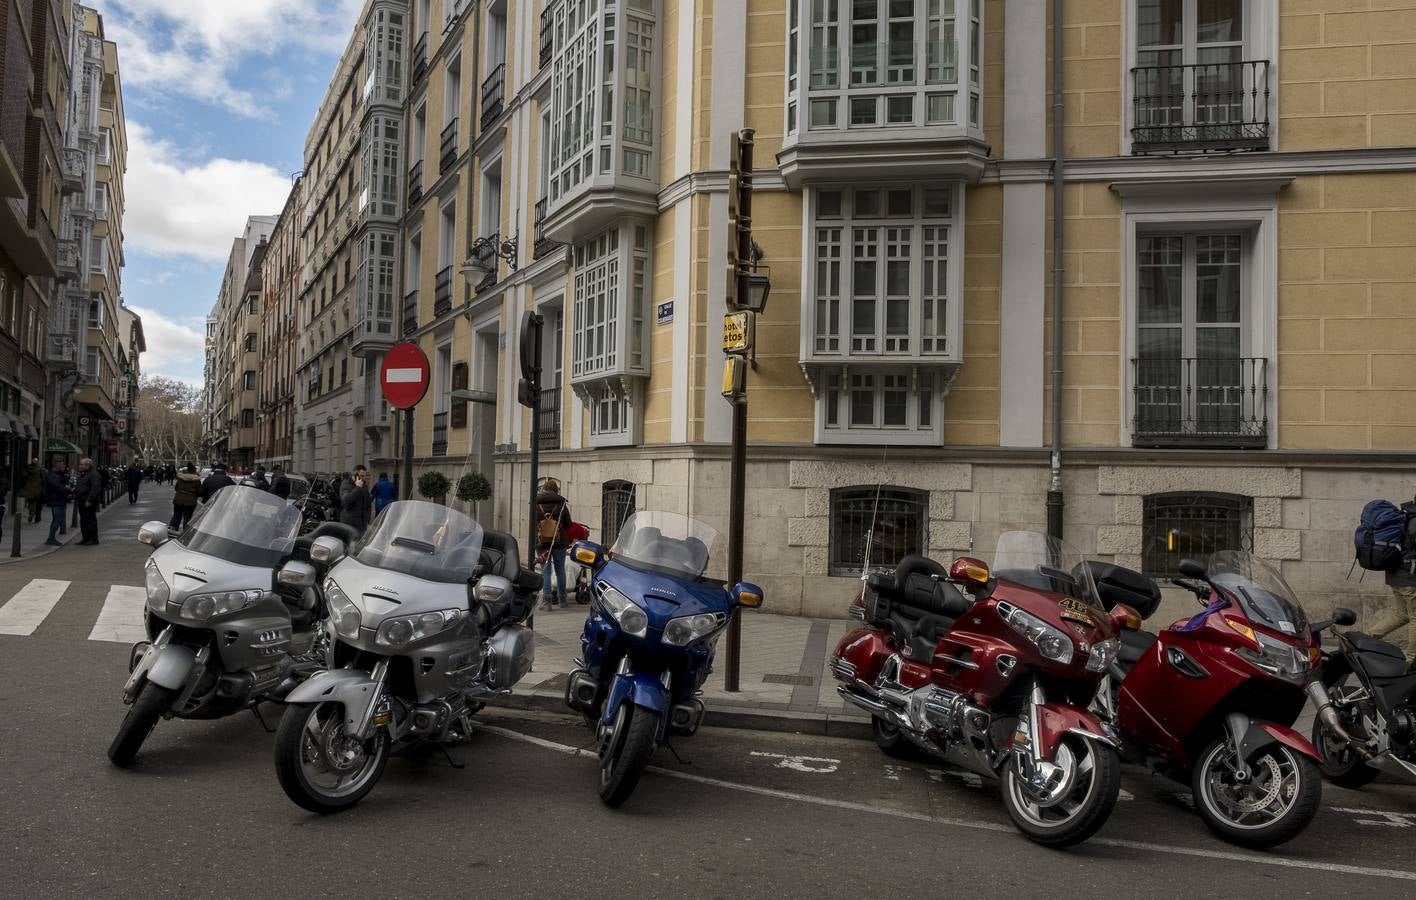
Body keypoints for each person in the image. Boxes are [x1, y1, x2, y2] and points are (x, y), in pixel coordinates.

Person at [1374, 496, 1416, 667]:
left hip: (1397, 576)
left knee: (1402, 614)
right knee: (1415, 618)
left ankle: (1368, 636)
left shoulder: (1405, 515)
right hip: (1409, 578)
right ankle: (1412, 658)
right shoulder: (1414, 521)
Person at [535, 478, 572, 609]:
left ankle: (547, 602)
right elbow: (568, 524)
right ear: (556, 489)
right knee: (560, 570)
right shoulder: (561, 504)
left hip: (541, 542)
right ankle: (563, 600)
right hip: (559, 542)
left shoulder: (536, 503)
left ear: (544, 489)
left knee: (546, 571)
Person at [73, 457, 102, 545]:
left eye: (82, 464)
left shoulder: (94, 475)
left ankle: (93, 539)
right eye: (80, 464)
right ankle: (85, 538)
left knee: (90, 520)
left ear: (88, 465)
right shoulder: (84, 474)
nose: (80, 466)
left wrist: (90, 500)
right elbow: (83, 486)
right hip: (81, 501)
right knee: (83, 521)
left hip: (88, 502)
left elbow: (95, 488)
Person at [43, 459, 69, 545]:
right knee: (57, 520)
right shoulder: (53, 476)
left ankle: (51, 538)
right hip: (57, 500)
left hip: (58, 500)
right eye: (62, 465)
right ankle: (51, 538)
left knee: (56, 519)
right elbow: (59, 487)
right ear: (57, 466)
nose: (64, 466)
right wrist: (66, 488)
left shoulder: (58, 474)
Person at [170, 465, 201, 532]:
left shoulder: (181, 478)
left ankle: (172, 531)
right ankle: (185, 533)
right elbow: (200, 492)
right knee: (187, 518)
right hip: (190, 501)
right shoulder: (196, 480)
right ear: (194, 472)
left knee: (176, 516)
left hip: (178, 500)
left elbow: (176, 488)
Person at [339, 466, 371, 532]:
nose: (364, 478)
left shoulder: (364, 486)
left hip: (362, 524)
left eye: (365, 476)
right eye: (362, 476)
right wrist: (357, 488)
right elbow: (346, 500)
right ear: (355, 475)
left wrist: (367, 519)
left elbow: (368, 504)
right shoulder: (346, 484)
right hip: (349, 524)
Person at [20, 457, 43, 523]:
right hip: (38, 489)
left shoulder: (28, 469)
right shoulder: (40, 470)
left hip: (29, 489)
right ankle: (34, 515)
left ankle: (31, 513)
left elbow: (24, 476)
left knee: (31, 502)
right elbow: (44, 478)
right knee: (37, 504)